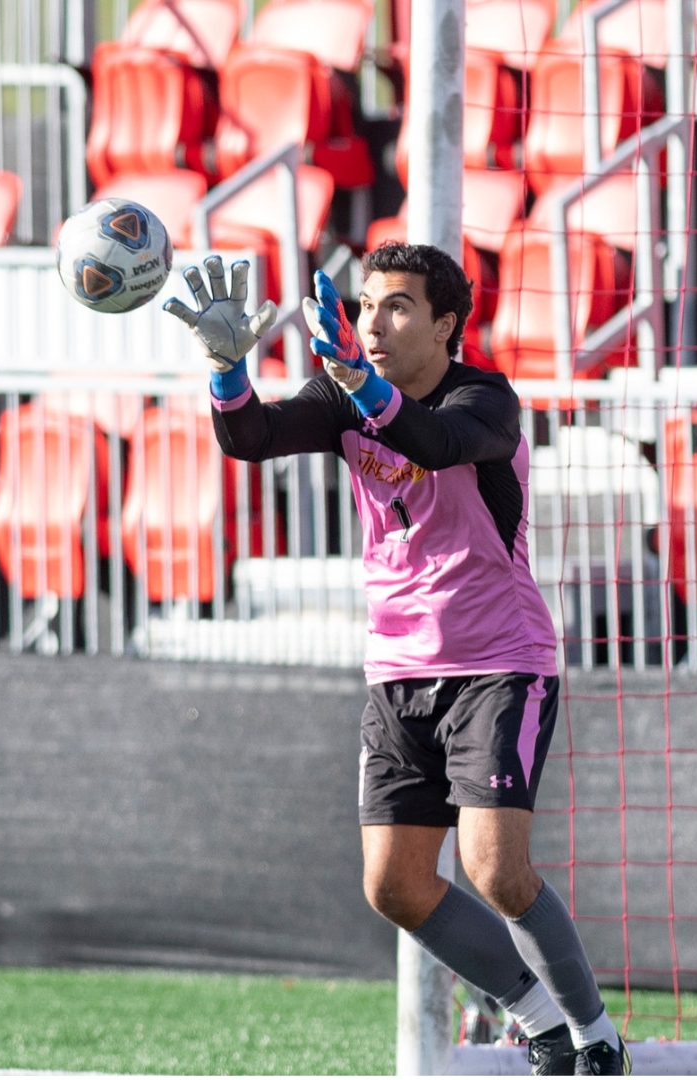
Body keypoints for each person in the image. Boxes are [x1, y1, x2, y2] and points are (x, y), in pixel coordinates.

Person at [163, 246, 629, 1076]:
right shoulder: (344, 395)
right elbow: (251, 439)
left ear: (447, 325)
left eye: (398, 308)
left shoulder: (485, 398)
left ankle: (596, 1038)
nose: (373, 323)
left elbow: (432, 441)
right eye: (366, 306)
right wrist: (226, 371)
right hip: (397, 674)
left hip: (498, 665)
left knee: (495, 868)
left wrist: (354, 379)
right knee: (395, 887)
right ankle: (536, 1020)